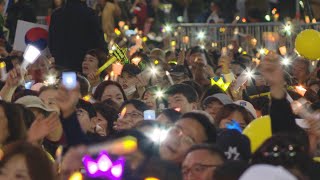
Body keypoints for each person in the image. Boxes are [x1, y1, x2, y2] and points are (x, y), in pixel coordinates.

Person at [49, 0, 106, 71]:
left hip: (61, 67)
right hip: (84, 68)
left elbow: (51, 43)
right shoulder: (90, 14)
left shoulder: (56, 15)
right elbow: (98, 41)